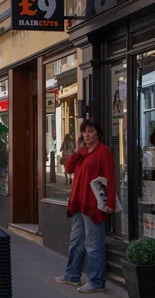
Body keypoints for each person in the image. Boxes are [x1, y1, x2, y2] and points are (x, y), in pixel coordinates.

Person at [56, 118, 116, 293]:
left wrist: (110, 202)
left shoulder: (103, 152)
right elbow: (68, 168)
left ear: (98, 133)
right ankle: (72, 275)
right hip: (79, 202)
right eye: (84, 131)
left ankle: (97, 281)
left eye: (90, 131)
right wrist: (77, 149)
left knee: (93, 242)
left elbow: (110, 178)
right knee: (76, 241)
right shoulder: (82, 152)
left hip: (92, 204)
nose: (87, 134)